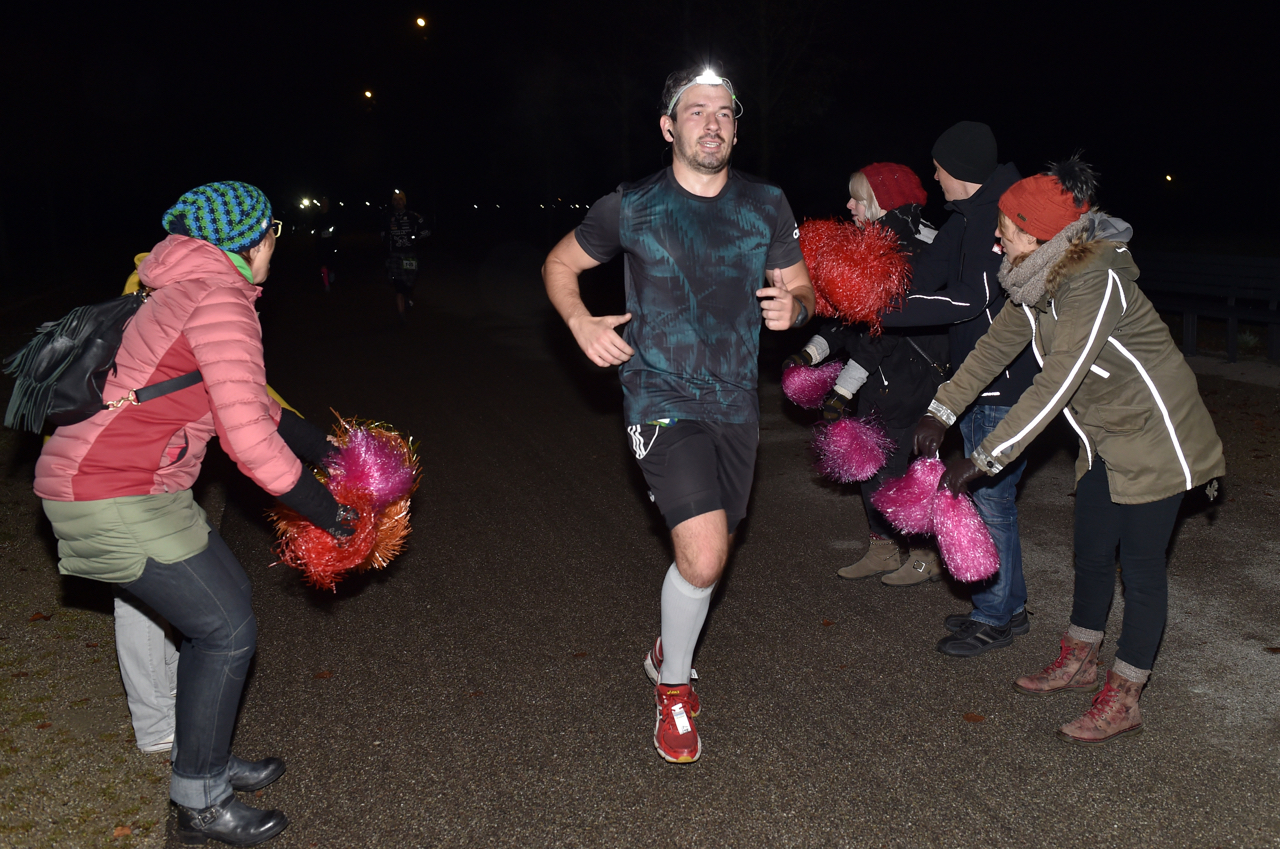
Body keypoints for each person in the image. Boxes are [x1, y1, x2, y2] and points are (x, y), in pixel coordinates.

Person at [36, 182, 355, 845]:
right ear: (254, 239)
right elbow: (248, 441)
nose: (275, 245)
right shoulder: (220, 298)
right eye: (272, 232)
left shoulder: (185, 287)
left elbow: (250, 406)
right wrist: (330, 512)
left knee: (227, 611)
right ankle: (201, 799)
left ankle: (203, 757)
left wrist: (330, 451)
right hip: (110, 489)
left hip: (134, 485)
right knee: (226, 630)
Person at [542, 67, 813, 763]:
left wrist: (799, 306)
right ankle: (673, 687)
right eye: (697, 111)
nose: (713, 123)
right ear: (669, 127)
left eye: (724, 111)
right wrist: (579, 323)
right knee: (703, 553)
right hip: (658, 395)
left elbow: (801, 285)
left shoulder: (768, 204)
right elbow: (558, 265)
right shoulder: (629, 205)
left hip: (733, 403)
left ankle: (672, 638)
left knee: (712, 553)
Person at [914, 156, 1224, 744]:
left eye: (1004, 228)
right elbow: (991, 348)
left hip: (1159, 438)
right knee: (1089, 550)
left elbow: (1057, 381)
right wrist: (942, 410)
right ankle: (1080, 659)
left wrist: (984, 459)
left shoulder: (1095, 282)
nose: (996, 239)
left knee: (1140, 568)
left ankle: (1126, 694)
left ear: (1036, 235)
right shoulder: (1035, 278)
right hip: (1105, 438)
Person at [875, 122, 1036, 656]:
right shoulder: (964, 217)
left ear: (961, 170)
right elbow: (927, 274)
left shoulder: (999, 217)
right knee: (992, 500)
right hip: (972, 378)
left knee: (992, 501)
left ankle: (997, 615)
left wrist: (888, 314)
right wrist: (873, 291)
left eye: (940, 166)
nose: (934, 175)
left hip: (1005, 378)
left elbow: (972, 300)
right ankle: (1005, 605)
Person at [788, 163, 950, 586]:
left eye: (859, 199)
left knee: (902, 470)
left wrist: (842, 388)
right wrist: (811, 352)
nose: (849, 206)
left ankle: (923, 554)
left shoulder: (914, 257)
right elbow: (849, 321)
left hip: (911, 382)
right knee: (870, 466)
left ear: (885, 204)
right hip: (880, 382)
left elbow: (884, 336)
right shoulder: (870, 253)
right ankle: (882, 548)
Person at [383, 189, 427, 319]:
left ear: (404, 201)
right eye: (395, 200)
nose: (398, 202)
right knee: (398, 286)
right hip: (394, 255)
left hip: (409, 255)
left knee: (409, 282)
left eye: (400, 199)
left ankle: (407, 298)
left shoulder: (413, 216)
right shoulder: (387, 217)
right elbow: (383, 234)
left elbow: (427, 230)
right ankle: (401, 314)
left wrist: (416, 237)